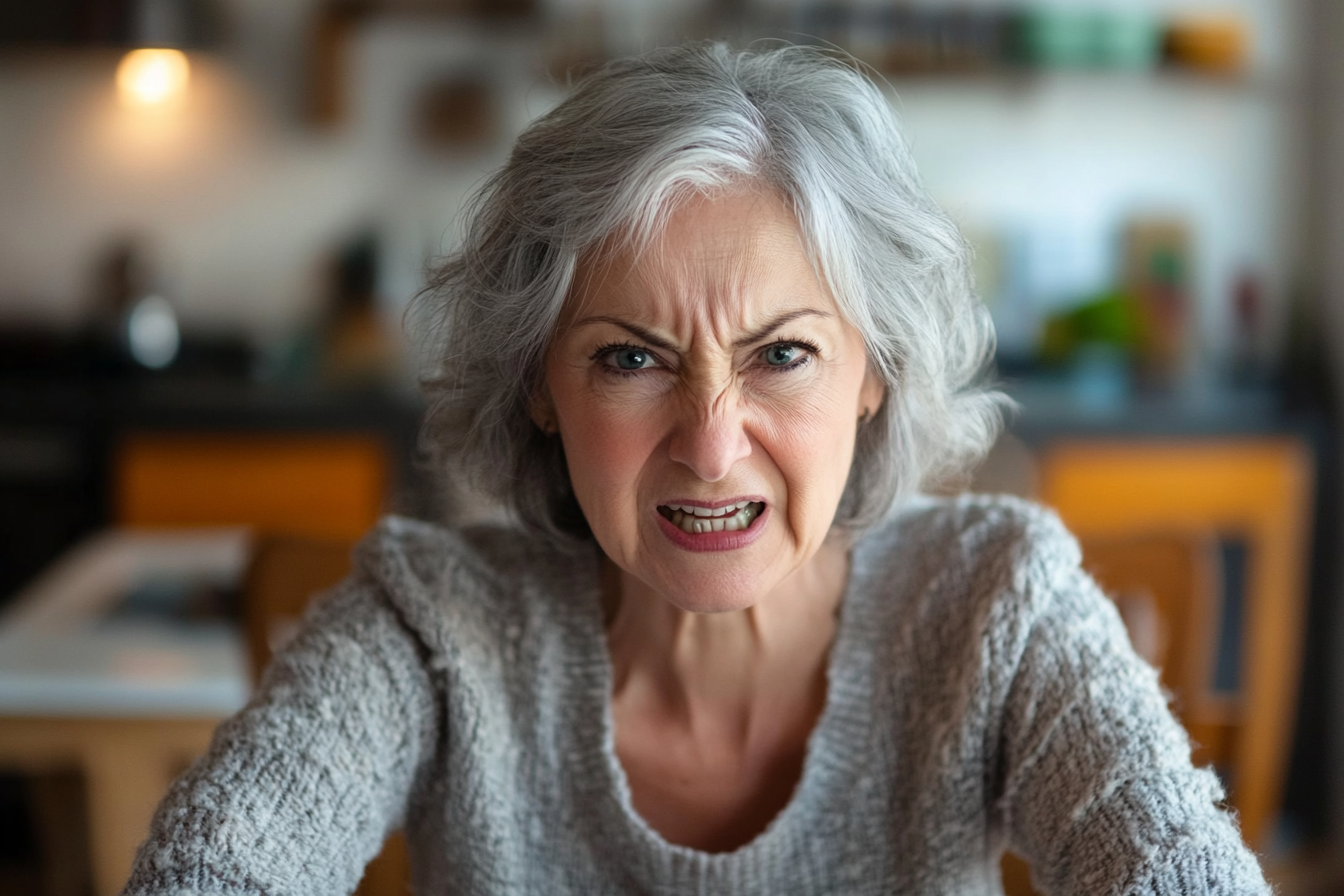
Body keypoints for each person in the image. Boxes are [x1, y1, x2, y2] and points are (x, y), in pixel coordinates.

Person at [122, 42, 1269, 895]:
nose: (713, 445)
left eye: (784, 353)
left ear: (876, 370)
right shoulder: (429, 628)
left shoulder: (997, 606)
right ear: (540, 383)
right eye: (629, 357)